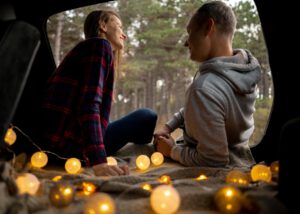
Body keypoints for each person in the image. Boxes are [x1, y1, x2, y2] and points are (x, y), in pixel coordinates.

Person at [39, 9, 157, 176]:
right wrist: (99, 162)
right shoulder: (100, 46)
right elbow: (88, 106)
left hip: (60, 142)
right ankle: (147, 148)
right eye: (120, 27)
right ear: (103, 25)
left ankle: (142, 146)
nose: (124, 35)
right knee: (147, 116)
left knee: (140, 119)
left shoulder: (87, 50)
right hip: (71, 146)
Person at [154, 0, 261, 168]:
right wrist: (169, 126)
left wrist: (172, 151)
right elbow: (207, 110)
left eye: (189, 32)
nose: (186, 42)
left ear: (208, 27)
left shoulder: (204, 88)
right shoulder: (244, 72)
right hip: (242, 151)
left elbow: (213, 159)